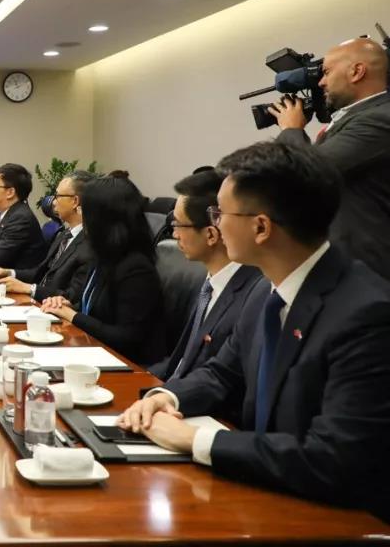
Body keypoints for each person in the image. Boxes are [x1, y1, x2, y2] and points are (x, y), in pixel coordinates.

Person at [118, 141, 390, 521]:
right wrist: (168, 397)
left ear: (261, 227)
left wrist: (196, 439)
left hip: (331, 519)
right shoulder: (265, 289)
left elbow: (333, 459)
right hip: (261, 494)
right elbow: (222, 372)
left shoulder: (366, 314)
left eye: (220, 213)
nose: (215, 224)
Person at [271, 36, 390, 282]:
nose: (321, 82)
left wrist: (291, 130)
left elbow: (308, 173)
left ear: (357, 71)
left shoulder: (380, 117)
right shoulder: (356, 118)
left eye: (326, 72)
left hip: (372, 272)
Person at [147, 170, 262, 383]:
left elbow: (221, 379)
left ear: (211, 234)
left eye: (178, 224)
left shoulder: (252, 296)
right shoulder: (209, 284)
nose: (174, 234)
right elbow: (182, 361)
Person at [39, 175, 166, 365]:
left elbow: (126, 338)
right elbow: (93, 310)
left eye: (85, 210)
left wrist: (72, 315)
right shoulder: (104, 256)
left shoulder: (136, 269)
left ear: (103, 219)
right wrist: (67, 305)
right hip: (93, 353)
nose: (82, 217)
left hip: (126, 367)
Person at [0, 170, 95, 304]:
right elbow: (41, 273)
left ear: (75, 201)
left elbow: (72, 297)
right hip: (37, 304)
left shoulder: (90, 245)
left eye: (57, 196)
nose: (53, 202)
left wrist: (30, 289)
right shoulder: (64, 234)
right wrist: (9, 273)